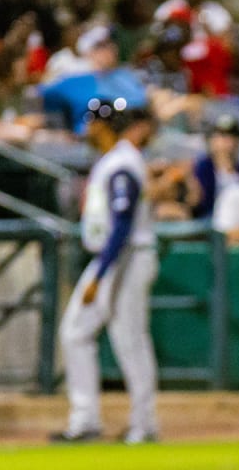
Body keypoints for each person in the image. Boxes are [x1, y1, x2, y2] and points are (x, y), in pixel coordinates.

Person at [51, 98, 161, 445]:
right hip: (114, 258)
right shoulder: (114, 161)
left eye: (93, 122)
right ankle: (85, 420)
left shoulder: (122, 164)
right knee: (75, 331)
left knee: (130, 341)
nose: (88, 128)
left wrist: (99, 275)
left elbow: (122, 226)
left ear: (105, 125)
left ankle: (143, 425)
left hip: (125, 258)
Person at [39, 26, 149, 135]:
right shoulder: (72, 81)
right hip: (89, 141)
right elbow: (42, 96)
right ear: (88, 51)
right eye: (102, 46)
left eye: (111, 43)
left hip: (131, 135)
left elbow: (143, 101)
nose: (110, 49)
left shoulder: (126, 76)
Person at [193, 114, 239, 219]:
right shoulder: (201, 168)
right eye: (222, 135)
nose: (228, 141)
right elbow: (198, 202)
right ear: (211, 140)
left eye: (233, 136)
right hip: (208, 220)